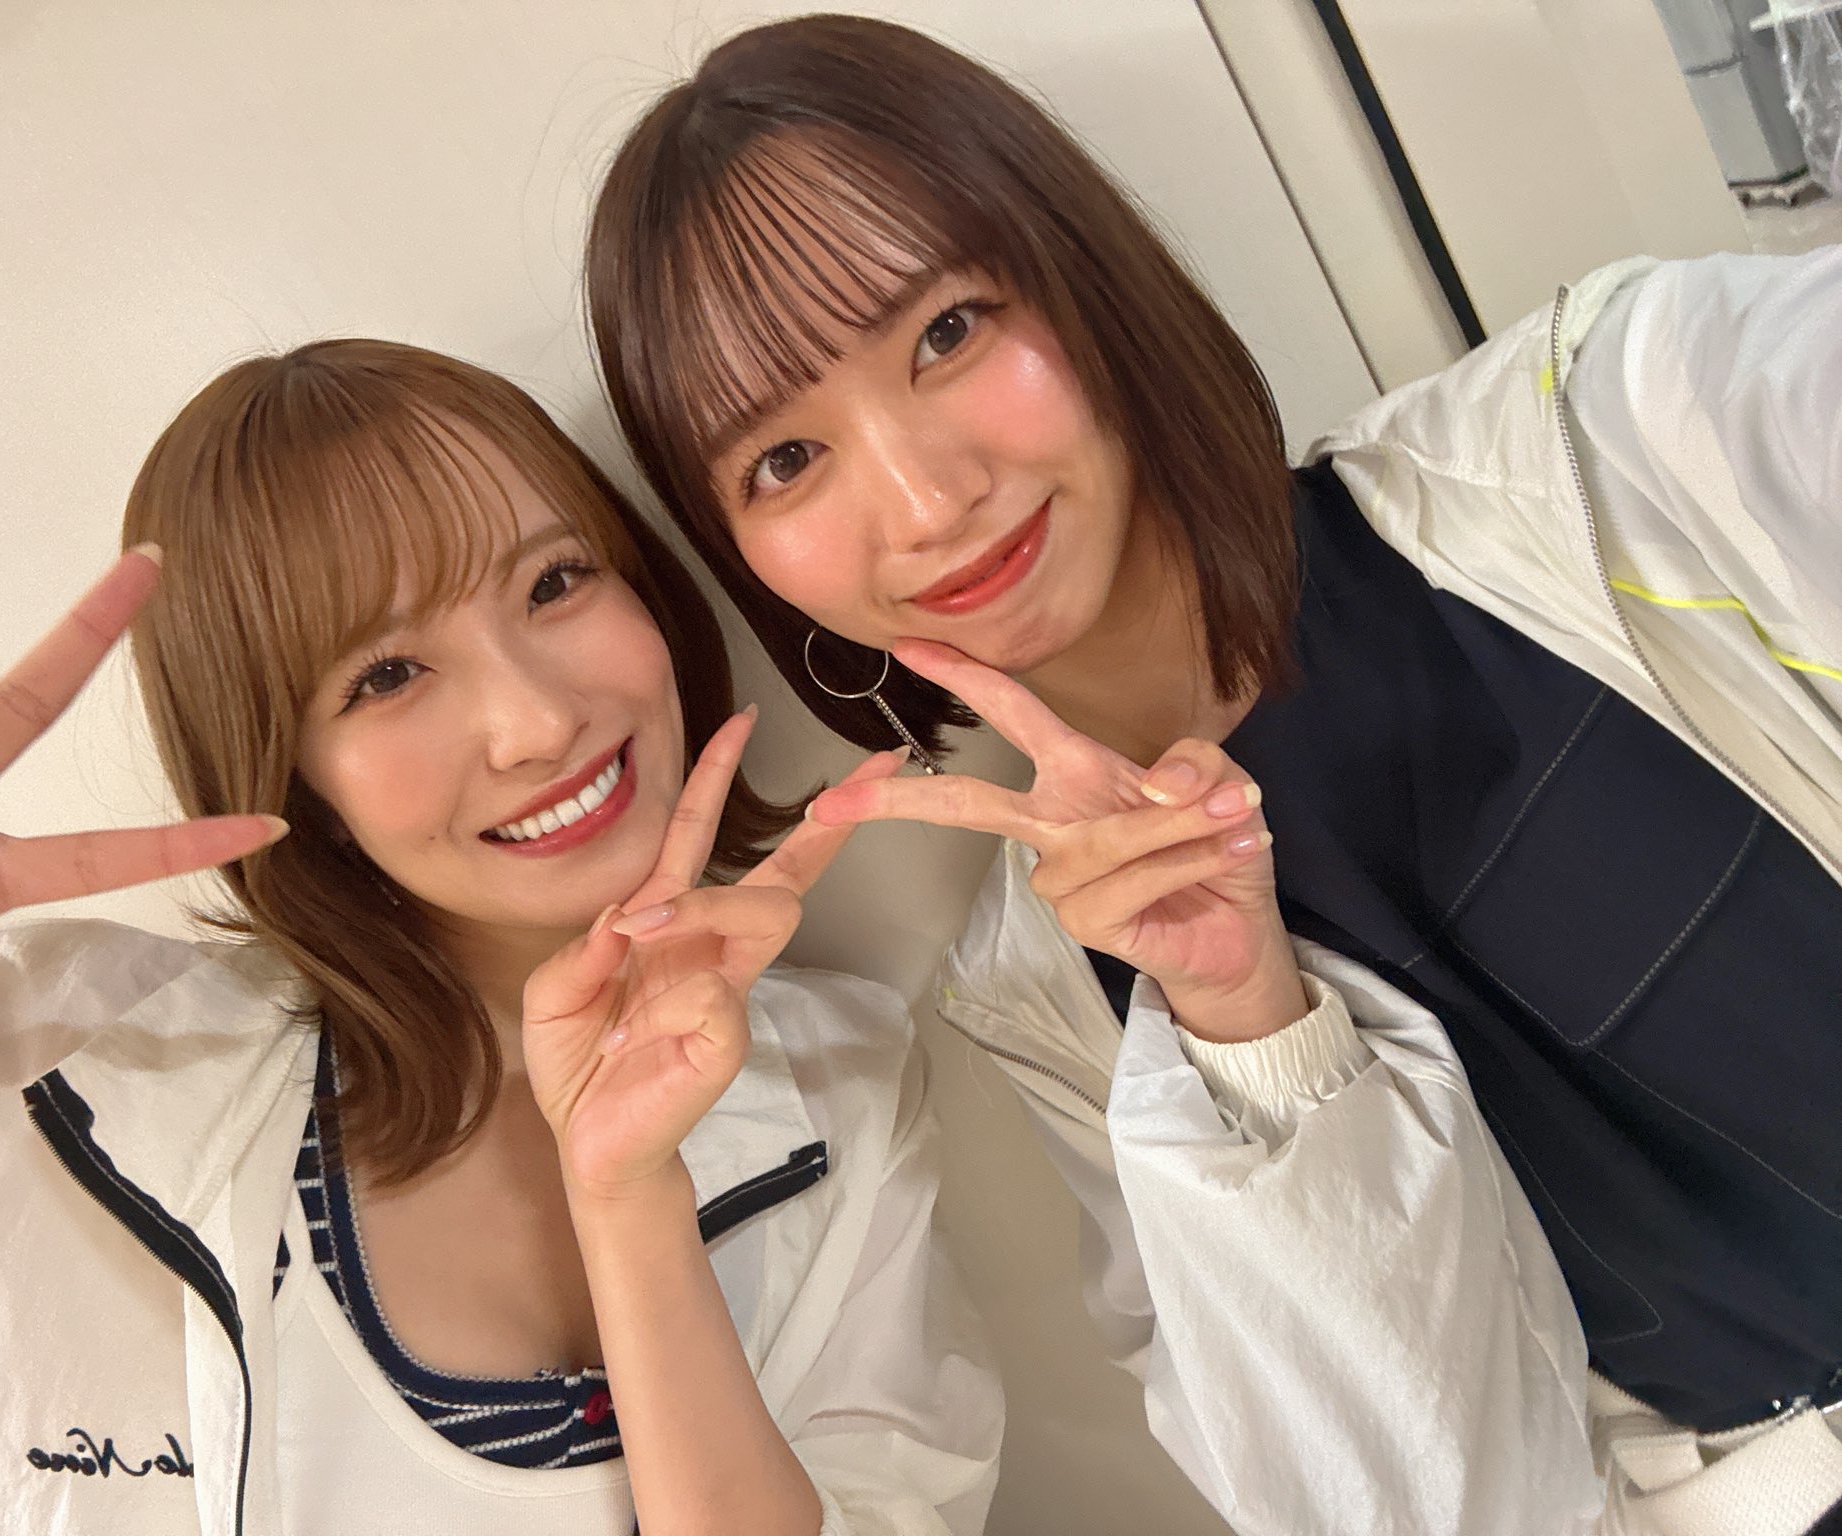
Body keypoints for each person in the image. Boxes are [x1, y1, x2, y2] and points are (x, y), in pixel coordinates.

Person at [583, 14, 1842, 1536]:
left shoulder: (1591, 450)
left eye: (947, 332)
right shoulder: (1049, 994)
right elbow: (1434, 1508)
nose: (924, 501)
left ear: (1083, 275)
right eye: (783, 461)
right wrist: (1246, 1024)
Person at [0, 339, 1002, 1535]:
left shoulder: (841, 1083)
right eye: (384, 677)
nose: (535, 722)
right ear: (295, 776)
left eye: (553, 583)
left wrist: (629, 1206)